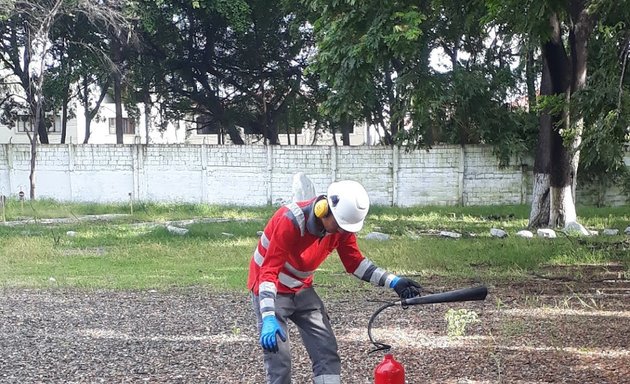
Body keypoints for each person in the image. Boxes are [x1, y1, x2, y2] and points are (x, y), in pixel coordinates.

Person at [247, 180, 422, 384]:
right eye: (339, 225)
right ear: (324, 210)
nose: (341, 231)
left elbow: (354, 263)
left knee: (326, 350)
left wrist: (394, 282)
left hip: (301, 289)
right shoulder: (290, 221)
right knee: (279, 361)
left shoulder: (341, 227)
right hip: (270, 288)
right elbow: (268, 272)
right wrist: (268, 316)